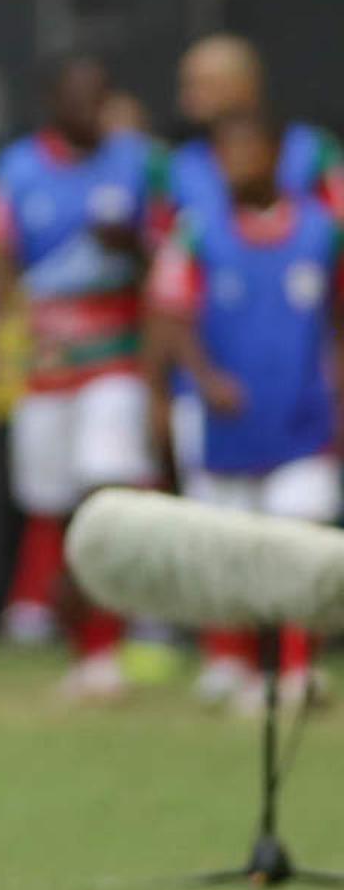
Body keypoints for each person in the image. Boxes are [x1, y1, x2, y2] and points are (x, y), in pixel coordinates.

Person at [158, 35, 344, 704]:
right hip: (215, 401)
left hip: (300, 399)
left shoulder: (315, 168)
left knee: (298, 536)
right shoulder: (182, 177)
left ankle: (295, 665)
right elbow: (167, 293)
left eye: (200, 82)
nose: (187, 99)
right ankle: (228, 657)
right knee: (222, 535)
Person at [0, 57, 165, 697]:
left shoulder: (140, 162)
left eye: (99, 98)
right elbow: (1, 258)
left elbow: (172, 258)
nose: (89, 111)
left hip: (116, 355)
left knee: (104, 491)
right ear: (53, 103)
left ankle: (117, 637)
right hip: (47, 357)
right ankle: (78, 644)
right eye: (76, 99)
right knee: (51, 502)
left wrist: (132, 249)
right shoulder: (18, 169)